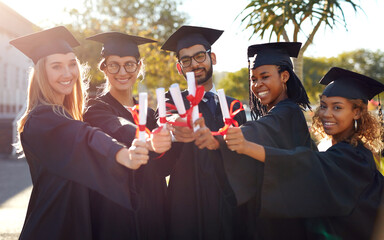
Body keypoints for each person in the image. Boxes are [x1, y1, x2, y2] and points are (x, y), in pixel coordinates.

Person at [10, 26, 150, 239]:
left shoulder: (65, 115)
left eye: (71, 64)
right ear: (41, 72)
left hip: (74, 227)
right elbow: (83, 135)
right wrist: (122, 154)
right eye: (56, 66)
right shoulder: (42, 119)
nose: (67, 73)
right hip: (52, 229)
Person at [224, 67, 384, 240]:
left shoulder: (356, 157)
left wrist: (247, 147)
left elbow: (307, 165)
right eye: (323, 106)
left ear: (357, 112)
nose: (326, 114)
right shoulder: (331, 147)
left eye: (337, 107)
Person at [209, 42, 315, 239]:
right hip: (283, 213)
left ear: (284, 76)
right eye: (253, 79)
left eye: (265, 77)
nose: (258, 85)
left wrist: (218, 138)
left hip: (287, 220)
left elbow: (259, 130)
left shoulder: (288, 111)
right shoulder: (279, 112)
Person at [160, 25, 247, 240]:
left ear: (212, 58)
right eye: (186, 60)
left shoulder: (234, 106)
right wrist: (174, 126)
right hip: (184, 208)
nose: (194, 64)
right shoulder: (171, 102)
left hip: (227, 205)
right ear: (180, 68)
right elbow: (163, 122)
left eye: (199, 56)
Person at [84, 32, 172, 240]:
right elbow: (116, 125)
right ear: (103, 68)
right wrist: (148, 138)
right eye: (113, 65)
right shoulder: (95, 108)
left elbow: (164, 167)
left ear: (139, 66)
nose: (122, 72)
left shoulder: (150, 114)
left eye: (129, 64)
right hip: (113, 213)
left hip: (153, 211)